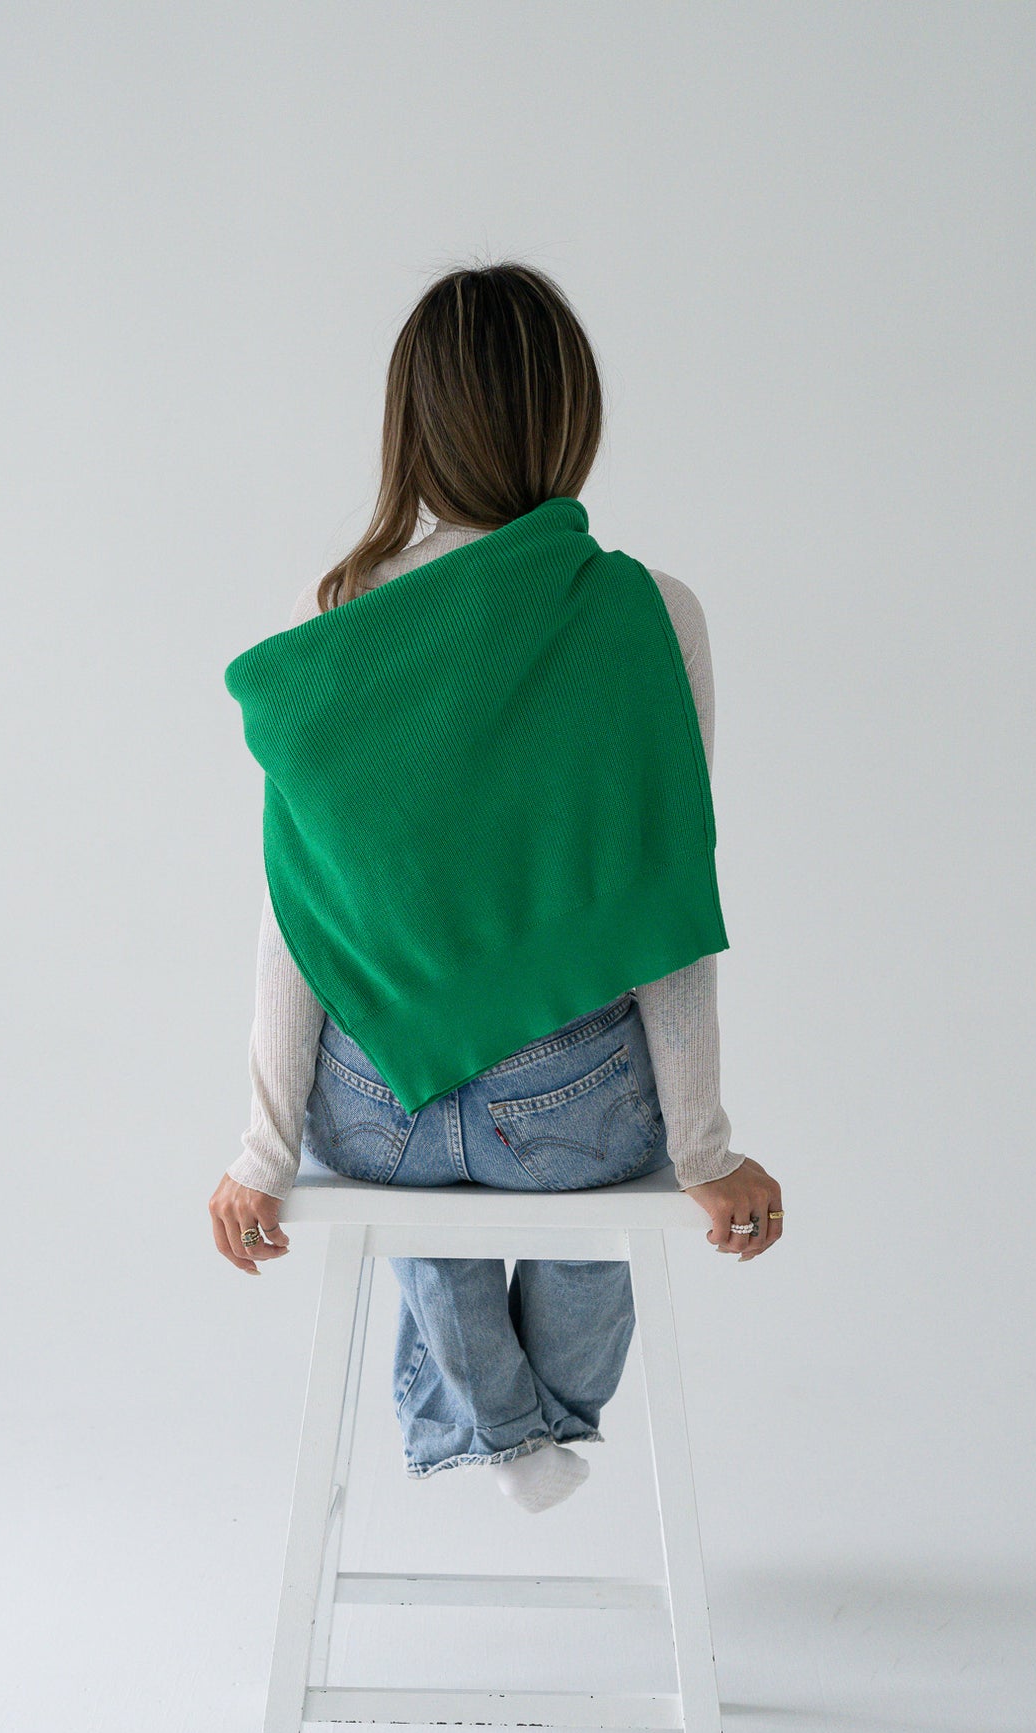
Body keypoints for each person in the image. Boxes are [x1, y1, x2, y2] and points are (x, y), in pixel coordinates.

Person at [209, 261, 783, 1512]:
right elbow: (658, 903)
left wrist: (262, 1150)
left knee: (411, 1155)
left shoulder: (338, 615)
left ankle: (498, 1423)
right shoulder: (645, 612)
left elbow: (296, 919)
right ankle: (543, 1422)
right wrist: (703, 1149)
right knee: (583, 1185)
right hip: (567, 1111)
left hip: (373, 1107)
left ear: (408, 427)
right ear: (572, 414)